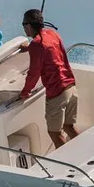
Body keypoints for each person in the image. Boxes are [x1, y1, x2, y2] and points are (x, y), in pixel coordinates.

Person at [19, 9, 79, 148]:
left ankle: (67, 165)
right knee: (69, 127)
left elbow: (33, 74)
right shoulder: (53, 34)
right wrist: (29, 48)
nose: (23, 28)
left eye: (23, 24)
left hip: (57, 93)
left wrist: (24, 92)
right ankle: (84, 153)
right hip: (71, 87)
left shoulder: (36, 44)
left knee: (55, 133)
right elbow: (46, 47)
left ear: (28, 26)